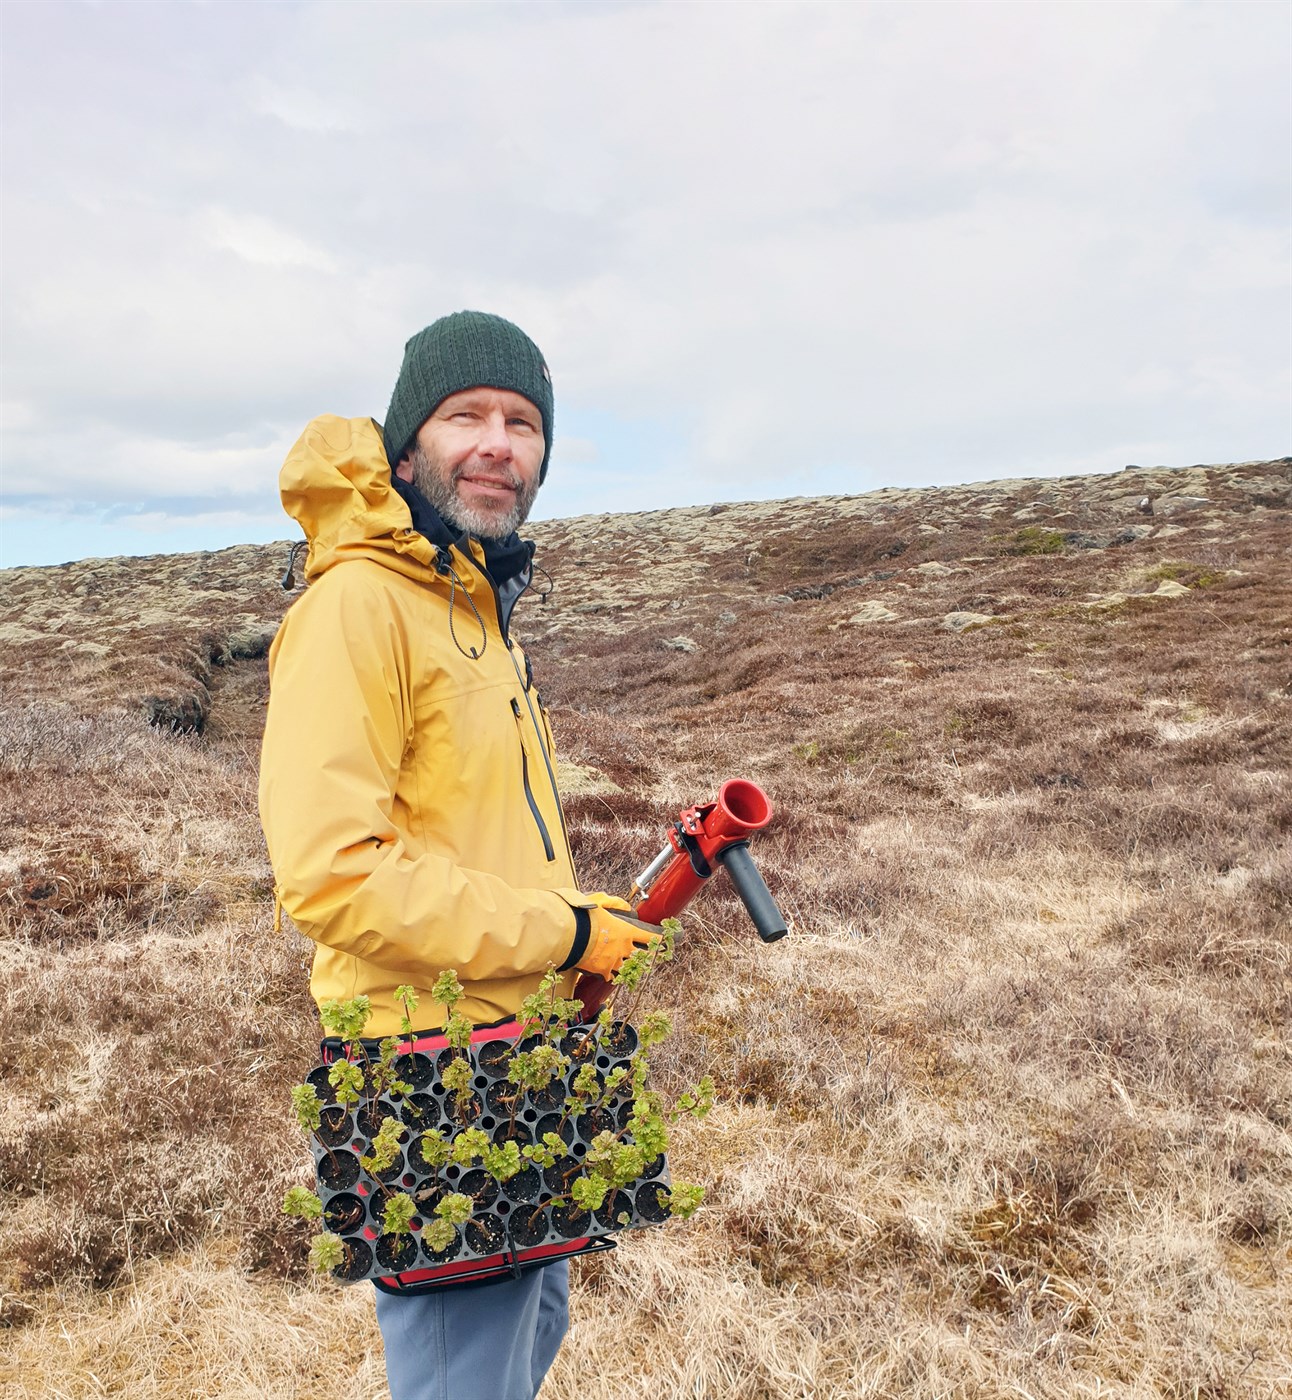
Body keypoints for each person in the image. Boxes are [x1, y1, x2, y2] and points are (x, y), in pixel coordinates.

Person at [258, 311, 660, 1400]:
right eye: (465, 414)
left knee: (526, 1325)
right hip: (426, 1062)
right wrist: (563, 928)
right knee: (460, 1372)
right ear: (405, 448)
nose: (498, 443)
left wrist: (571, 927)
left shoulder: (469, 606)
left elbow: (468, 834)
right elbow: (335, 870)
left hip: (516, 1036)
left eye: (522, 422)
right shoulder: (358, 606)